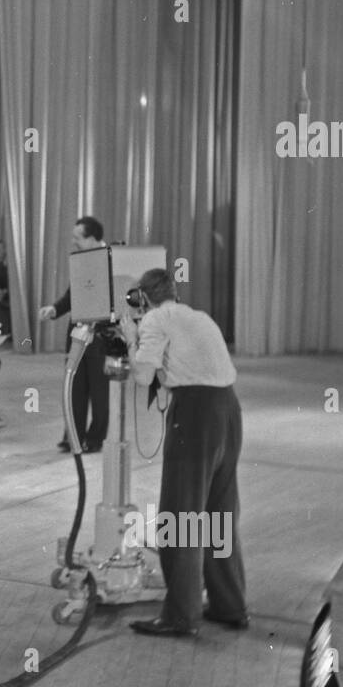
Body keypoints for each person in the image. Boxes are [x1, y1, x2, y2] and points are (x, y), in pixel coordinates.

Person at [119, 269, 247, 638]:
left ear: (143, 298)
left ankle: (181, 615)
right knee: (218, 513)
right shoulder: (199, 316)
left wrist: (132, 339)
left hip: (194, 415)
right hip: (228, 410)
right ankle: (229, 604)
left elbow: (143, 375)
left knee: (180, 514)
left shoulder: (156, 318)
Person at [37, 215, 109, 453]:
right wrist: (55, 309)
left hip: (101, 337)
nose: (74, 242)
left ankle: (95, 439)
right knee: (74, 388)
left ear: (92, 239)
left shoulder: (112, 261)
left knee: (99, 393)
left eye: (78, 238)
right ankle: (73, 438)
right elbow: (72, 295)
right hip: (77, 333)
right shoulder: (81, 261)